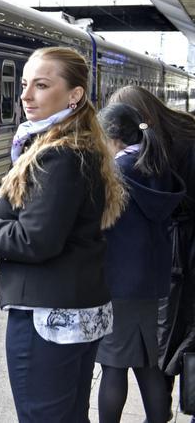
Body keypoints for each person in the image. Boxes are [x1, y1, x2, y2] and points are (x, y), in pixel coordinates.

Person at [0, 47, 126, 422]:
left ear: (74, 95)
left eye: (41, 85)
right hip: (74, 312)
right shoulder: (79, 145)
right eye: (24, 85)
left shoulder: (58, 155)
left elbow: (37, 240)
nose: (25, 95)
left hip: (48, 319)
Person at [95, 103, 183, 423]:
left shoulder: (118, 172)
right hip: (150, 283)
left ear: (113, 137)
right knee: (146, 363)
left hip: (119, 283)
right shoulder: (155, 167)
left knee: (113, 364)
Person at [109, 86, 195, 402]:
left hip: (172, 259)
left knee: (167, 337)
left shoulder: (141, 160)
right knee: (172, 336)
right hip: (174, 257)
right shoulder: (171, 143)